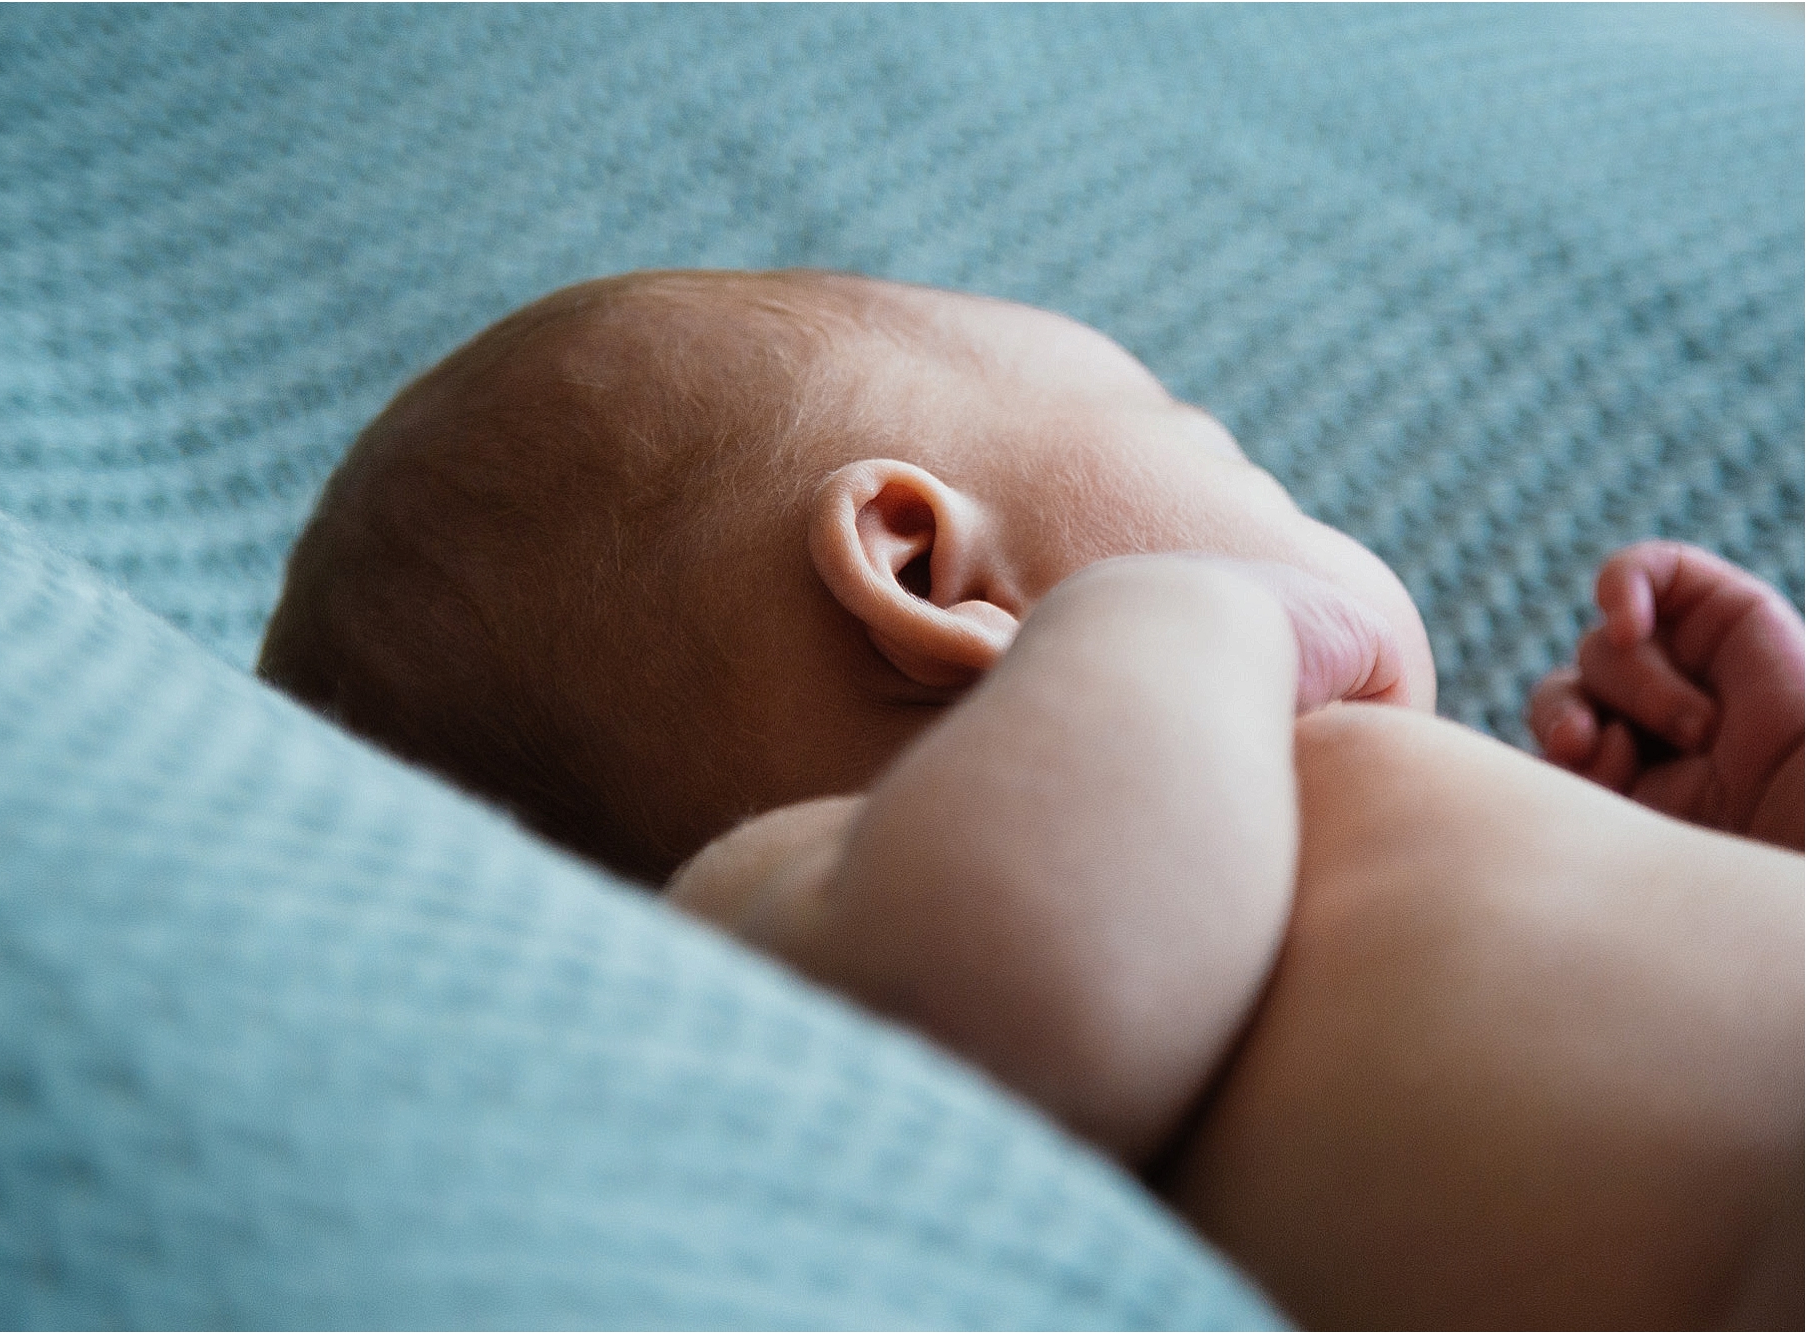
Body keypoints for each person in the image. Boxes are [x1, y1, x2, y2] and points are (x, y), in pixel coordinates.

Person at [258, 269, 1803, 1328]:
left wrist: (1741, 831)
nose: (1285, 528)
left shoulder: (1242, 779)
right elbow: (1021, 1012)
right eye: (1230, 460)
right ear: (932, 576)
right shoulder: (808, 882)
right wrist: (1180, 613)